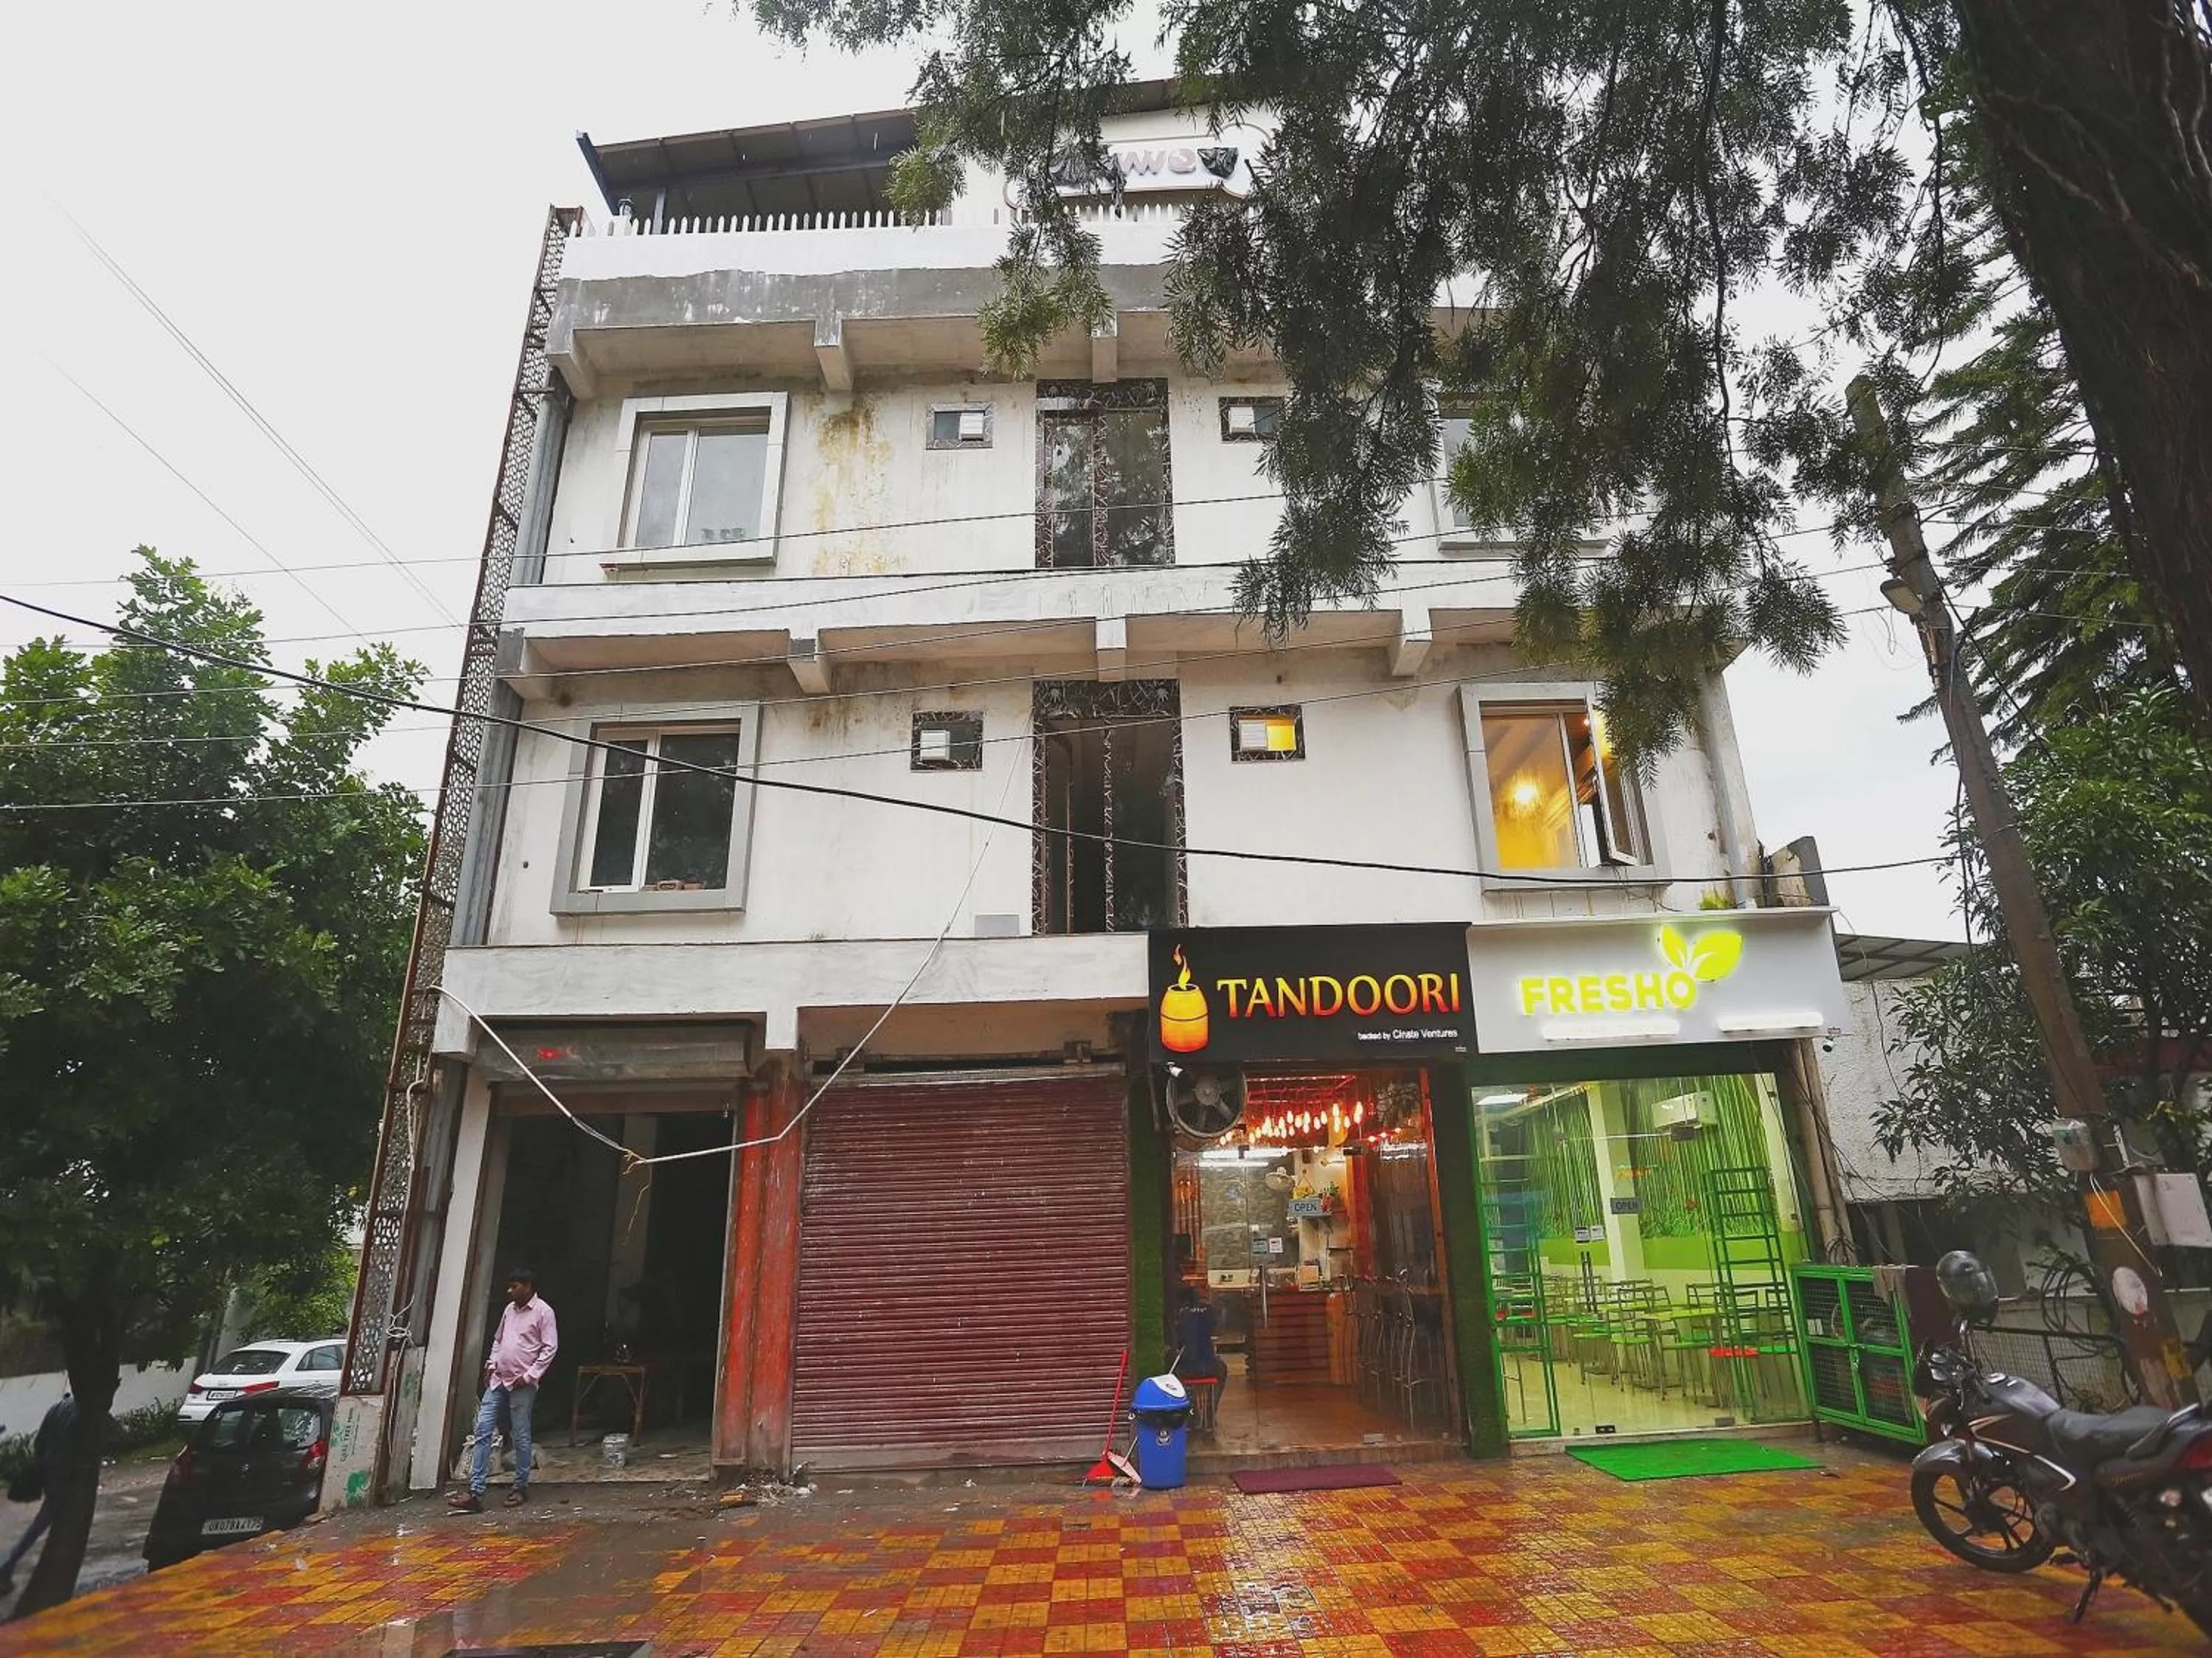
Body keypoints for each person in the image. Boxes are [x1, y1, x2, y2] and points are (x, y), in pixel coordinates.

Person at [450, 1268, 557, 1513]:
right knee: (483, 1430)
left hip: (522, 1384)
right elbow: (498, 1340)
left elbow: (550, 1348)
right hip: (499, 1380)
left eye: (515, 1286)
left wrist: (530, 1376)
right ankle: (475, 1492)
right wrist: (491, 1363)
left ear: (528, 1287)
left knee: (520, 1434)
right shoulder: (509, 1311)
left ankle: (520, 1487)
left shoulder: (543, 1312)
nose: (510, 1292)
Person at [0, 1395, 78, 1593]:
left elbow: (40, 1442)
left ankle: (10, 1566)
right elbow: (116, 1436)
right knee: (46, 1522)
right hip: (69, 1474)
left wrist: (44, 1465)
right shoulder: (87, 1411)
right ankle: (7, 1566)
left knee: (49, 1521)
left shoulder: (56, 1408)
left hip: (52, 1469)